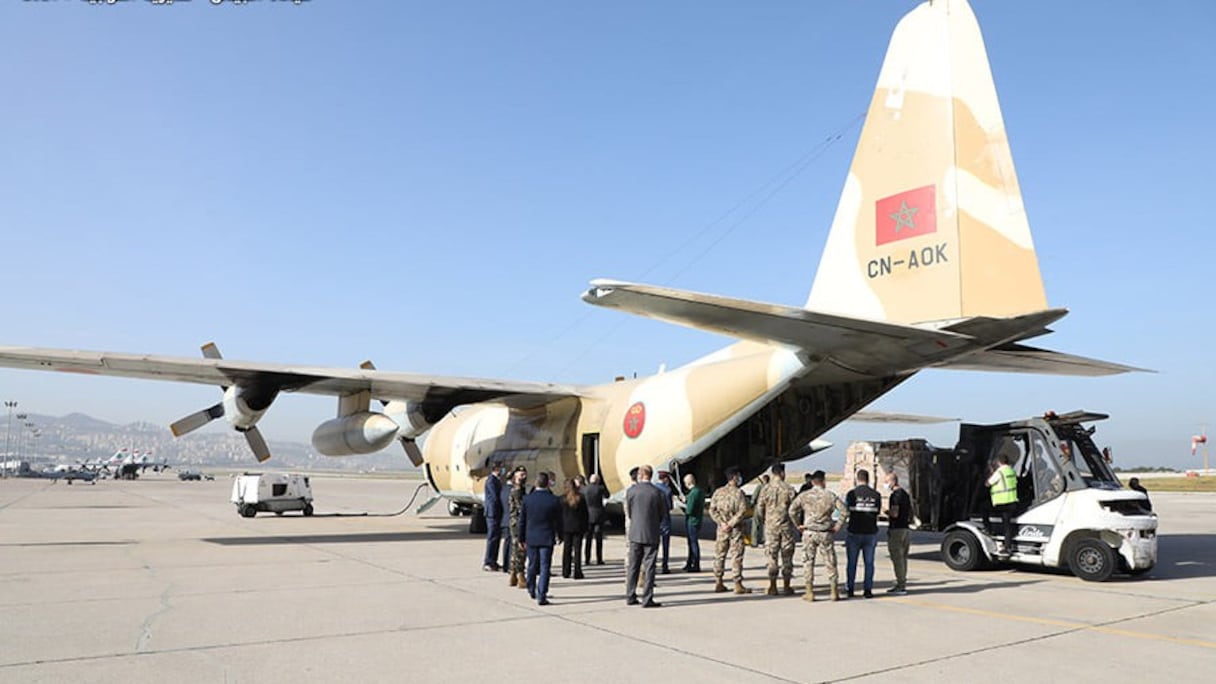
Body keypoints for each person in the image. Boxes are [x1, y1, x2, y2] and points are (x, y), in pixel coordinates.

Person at [788, 469, 848, 602]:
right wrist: (837, 526)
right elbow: (844, 511)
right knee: (830, 561)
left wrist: (798, 525)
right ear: (823, 481)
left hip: (809, 532)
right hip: (825, 532)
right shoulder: (830, 496)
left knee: (808, 562)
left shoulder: (804, 495)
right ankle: (834, 591)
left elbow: (792, 510)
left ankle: (809, 591)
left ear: (812, 481)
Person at [518, 472, 563, 606]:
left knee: (532, 564)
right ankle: (542, 594)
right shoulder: (554, 500)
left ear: (536, 483)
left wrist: (521, 538)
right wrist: (560, 535)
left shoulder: (527, 499)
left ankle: (531, 589)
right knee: (545, 567)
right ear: (547, 483)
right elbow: (559, 521)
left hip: (531, 537)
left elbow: (522, 521)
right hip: (547, 537)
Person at [624, 465, 666, 608]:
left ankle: (630, 595)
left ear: (640, 475)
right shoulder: (658, 493)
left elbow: (629, 512)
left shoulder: (631, 491)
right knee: (649, 567)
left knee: (633, 566)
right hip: (651, 533)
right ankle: (647, 598)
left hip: (635, 532)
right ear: (651, 475)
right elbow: (662, 514)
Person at [754, 464, 798, 596]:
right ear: (782, 473)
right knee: (787, 556)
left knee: (772, 556)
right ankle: (786, 586)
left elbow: (760, 508)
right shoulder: (789, 489)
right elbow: (795, 510)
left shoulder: (765, 489)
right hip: (786, 528)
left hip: (771, 528)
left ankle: (772, 586)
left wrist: (766, 521)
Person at [709, 466, 752, 594]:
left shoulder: (718, 492)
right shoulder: (739, 493)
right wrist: (731, 523)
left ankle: (718, 582)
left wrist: (722, 523)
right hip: (735, 530)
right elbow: (742, 511)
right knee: (736, 556)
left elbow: (712, 510)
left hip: (722, 530)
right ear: (734, 477)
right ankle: (737, 584)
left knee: (719, 555)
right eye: (738, 476)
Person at [845, 469, 882, 599]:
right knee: (869, 563)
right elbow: (877, 512)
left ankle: (850, 589)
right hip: (870, 532)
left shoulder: (851, 494)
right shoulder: (876, 495)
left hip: (854, 532)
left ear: (857, 479)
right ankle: (868, 590)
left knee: (852, 563)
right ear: (868, 479)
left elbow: (846, 511)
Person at [884, 471, 911, 595]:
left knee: (897, 558)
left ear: (893, 481)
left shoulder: (895, 496)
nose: (886, 484)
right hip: (906, 528)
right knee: (903, 557)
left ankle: (901, 585)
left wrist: (885, 512)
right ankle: (902, 582)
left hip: (896, 530)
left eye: (887, 481)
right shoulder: (905, 494)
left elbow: (895, 513)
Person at [987, 453, 1019, 557]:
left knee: (983, 509)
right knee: (1007, 525)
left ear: (998, 462)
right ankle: (1007, 546)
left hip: (1002, 503)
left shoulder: (999, 472)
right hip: (1012, 501)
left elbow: (988, 483)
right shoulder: (1012, 470)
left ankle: (989, 530)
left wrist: (991, 472)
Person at [559, 478, 588, 580]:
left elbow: (559, 516)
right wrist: (585, 528)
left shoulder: (562, 499)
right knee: (577, 550)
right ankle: (577, 571)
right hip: (578, 527)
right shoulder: (581, 498)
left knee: (566, 550)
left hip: (566, 528)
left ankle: (566, 571)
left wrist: (558, 530)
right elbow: (585, 515)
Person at [507, 466, 529, 588]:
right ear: (515, 477)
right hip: (518, 522)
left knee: (515, 550)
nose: (524, 477)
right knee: (520, 549)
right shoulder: (518, 491)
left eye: (524, 475)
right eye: (521, 475)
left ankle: (513, 574)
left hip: (514, 522)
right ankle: (520, 575)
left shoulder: (516, 489)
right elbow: (522, 509)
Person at [582, 473, 609, 565]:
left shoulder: (584, 489)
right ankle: (599, 558)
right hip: (598, 515)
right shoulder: (600, 488)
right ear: (597, 480)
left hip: (588, 515)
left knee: (588, 538)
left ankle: (587, 558)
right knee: (598, 538)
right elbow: (607, 495)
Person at [482, 462, 504, 572]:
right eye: (501, 468)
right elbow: (495, 497)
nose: (502, 470)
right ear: (496, 469)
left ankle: (493, 561)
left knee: (496, 538)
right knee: (492, 538)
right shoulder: (491, 480)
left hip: (496, 513)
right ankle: (488, 561)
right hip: (492, 513)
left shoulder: (497, 480)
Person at [681, 473, 704, 573]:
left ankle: (695, 564)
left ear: (688, 482)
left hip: (692, 521)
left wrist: (682, 505)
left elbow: (689, 510)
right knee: (692, 542)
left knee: (693, 543)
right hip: (697, 519)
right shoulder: (699, 491)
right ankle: (690, 562)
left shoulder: (693, 493)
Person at [654, 471, 675, 574]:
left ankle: (652, 564)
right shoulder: (667, 490)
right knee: (665, 544)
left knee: (654, 544)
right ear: (666, 479)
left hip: (654, 519)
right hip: (665, 519)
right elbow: (670, 507)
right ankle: (665, 566)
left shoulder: (653, 488)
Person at [750, 474, 770, 548]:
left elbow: (754, 496)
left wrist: (751, 504)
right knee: (766, 525)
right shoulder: (770, 488)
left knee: (755, 524)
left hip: (758, 508)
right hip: (767, 509)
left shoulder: (759, 487)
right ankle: (765, 540)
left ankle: (754, 542)